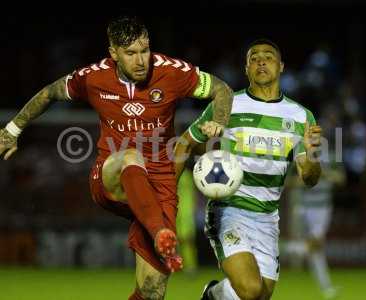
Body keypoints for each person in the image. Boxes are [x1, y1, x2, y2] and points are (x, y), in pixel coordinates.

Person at [0, 16, 233, 300]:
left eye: (144, 50)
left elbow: (221, 89)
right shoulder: (93, 77)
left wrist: (219, 121)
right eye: (131, 53)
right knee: (130, 157)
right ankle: (159, 232)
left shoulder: (173, 72)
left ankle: (157, 232)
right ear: (113, 53)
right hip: (112, 177)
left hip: (160, 184)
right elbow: (50, 93)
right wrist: (13, 129)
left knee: (152, 290)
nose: (140, 60)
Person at [174, 38, 322, 300]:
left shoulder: (301, 116)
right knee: (250, 290)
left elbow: (309, 178)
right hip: (230, 211)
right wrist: (165, 195)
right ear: (246, 68)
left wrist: (311, 153)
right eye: (254, 58)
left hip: (268, 217)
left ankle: (212, 296)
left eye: (268, 57)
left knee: (260, 294)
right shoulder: (227, 104)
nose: (261, 61)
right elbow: (184, 146)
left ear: (282, 67)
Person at [284, 151, 346, 299]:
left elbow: (341, 178)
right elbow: (288, 181)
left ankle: (283, 248)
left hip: (322, 208)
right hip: (302, 207)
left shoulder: (331, 157)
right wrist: (309, 178)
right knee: (316, 250)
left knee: (316, 247)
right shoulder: (300, 157)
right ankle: (326, 289)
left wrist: (325, 175)